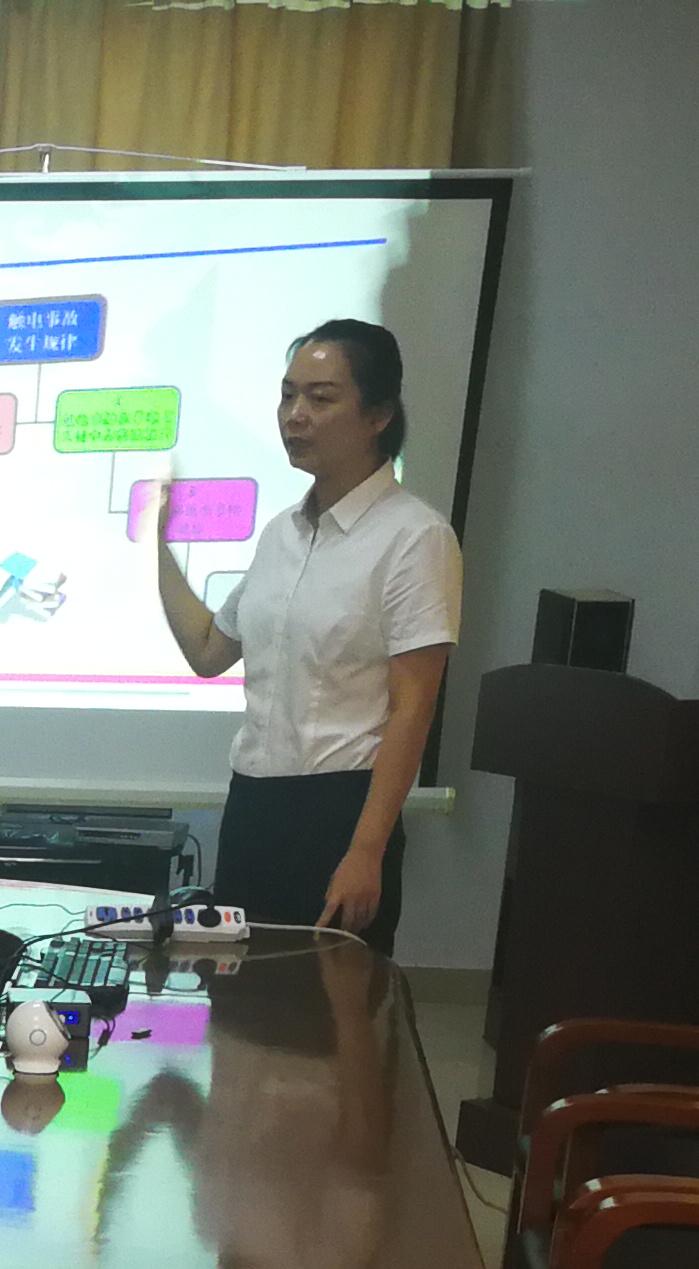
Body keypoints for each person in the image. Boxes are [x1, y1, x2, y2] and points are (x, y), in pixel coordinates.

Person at [148, 316, 460, 951]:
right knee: (238, 999)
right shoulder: (282, 533)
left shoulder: (415, 537)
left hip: (340, 814)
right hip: (252, 810)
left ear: (379, 416)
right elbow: (209, 651)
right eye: (288, 395)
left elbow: (414, 708)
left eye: (320, 398)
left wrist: (367, 851)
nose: (295, 415)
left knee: (326, 1005)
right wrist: (157, 543)